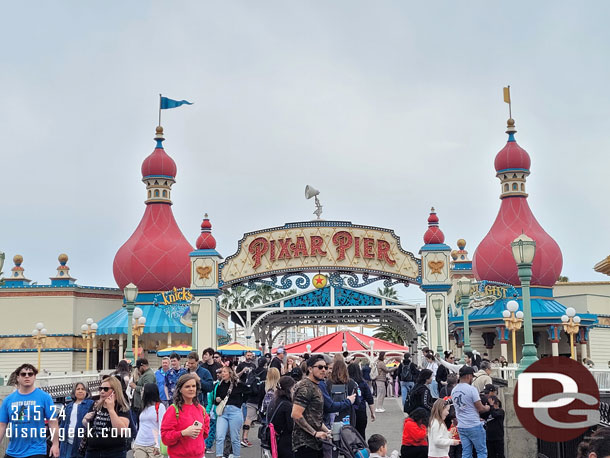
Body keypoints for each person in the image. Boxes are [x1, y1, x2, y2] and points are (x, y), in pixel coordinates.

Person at [0, 364, 60, 458]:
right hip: (13, 451)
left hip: (36, 450)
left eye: (30, 374)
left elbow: (53, 422)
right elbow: (2, 425)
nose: (27, 376)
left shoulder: (45, 397)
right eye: (23, 374)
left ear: (34, 377)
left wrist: (55, 444)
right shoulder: (8, 400)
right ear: (18, 378)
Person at [291, 354, 331, 458]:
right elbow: (296, 414)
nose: (324, 370)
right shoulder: (306, 387)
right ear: (310, 369)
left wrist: (327, 431)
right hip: (304, 444)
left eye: (325, 367)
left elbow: (313, 416)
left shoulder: (316, 386)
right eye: (320, 367)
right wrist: (314, 433)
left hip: (315, 443)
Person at [161, 373, 210, 458]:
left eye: (193, 386)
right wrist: (183, 433)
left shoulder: (201, 409)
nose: (191, 389)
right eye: (187, 387)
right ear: (180, 389)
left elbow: (205, 433)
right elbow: (165, 438)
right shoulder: (173, 410)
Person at [82, 375, 131, 458]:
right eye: (100, 388)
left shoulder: (121, 407)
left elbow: (121, 431)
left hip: (113, 452)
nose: (102, 391)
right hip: (93, 451)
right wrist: (85, 420)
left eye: (106, 389)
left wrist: (111, 410)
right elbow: (90, 427)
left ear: (115, 391)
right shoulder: (96, 405)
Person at [451, 365, 490, 458]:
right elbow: (480, 408)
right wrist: (487, 408)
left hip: (461, 426)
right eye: (472, 376)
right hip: (474, 424)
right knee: (481, 452)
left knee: (466, 453)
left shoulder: (454, 390)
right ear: (469, 376)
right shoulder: (472, 389)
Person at [214, 366, 248, 458]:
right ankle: (219, 455)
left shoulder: (238, 384)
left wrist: (241, 402)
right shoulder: (219, 385)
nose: (223, 374)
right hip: (223, 412)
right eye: (222, 372)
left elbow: (249, 391)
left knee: (234, 438)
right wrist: (217, 400)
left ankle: (236, 455)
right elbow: (216, 400)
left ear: (230, 373)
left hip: (235, 411)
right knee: (220, 436)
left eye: (225, 372)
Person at [59, 382, 94, 458]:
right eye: (78, 389)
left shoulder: (91, 404)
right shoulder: (68, 406)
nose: (80, 391)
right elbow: (62, 424)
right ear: (74, 392)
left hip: (81, 443)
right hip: (67, 442)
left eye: (83, 389)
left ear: (87, 392)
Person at [266, 376, 296, 458]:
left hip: (274, 439)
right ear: (289, 389)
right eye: (293, 389)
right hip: (285, 442)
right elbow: (291, 427)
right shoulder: (287, 405)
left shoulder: (274, 401)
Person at [133, 383, 166, 458]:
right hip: (139, 443)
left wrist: (158, 445)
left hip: (153, 445)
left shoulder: (160, 407)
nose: (141, 392)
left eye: (143, 390)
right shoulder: (143, 407)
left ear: (148, 392)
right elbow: (139, 426)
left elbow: (162, 426)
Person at [241, 356, 268, 447]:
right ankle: (266, 438)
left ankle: (244, 438)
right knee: (266, 420)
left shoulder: (252, 371)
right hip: (262, 399)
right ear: (265, 363)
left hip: (251, 398)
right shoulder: (266, 372)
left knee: (248, 418)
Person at [325, 359, 359, 426]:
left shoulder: (328, 383)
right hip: (348, 415)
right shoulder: (351, 383)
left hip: (332, 415)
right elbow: (357, 401)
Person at [347, 363, 375, 439]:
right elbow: (369, 399)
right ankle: (362, 449)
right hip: (361, 410)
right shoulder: (363, 383)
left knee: (349, 434)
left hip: (349, 411)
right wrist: (373, 413)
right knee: (361, 433)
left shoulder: (346, 383)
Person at [130, 358, 156, 427]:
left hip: (142, 405)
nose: (138, 369)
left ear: (143, 366)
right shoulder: (145, 374)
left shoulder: (148, 375)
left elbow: (147, 390)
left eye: (138, 368)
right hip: (139, 404)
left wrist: (135, 387)